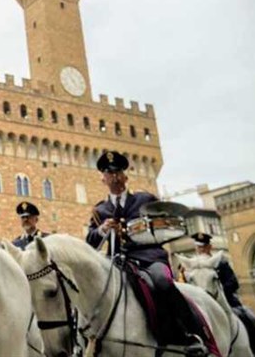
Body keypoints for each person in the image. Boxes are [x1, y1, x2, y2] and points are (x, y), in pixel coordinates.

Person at [85, 151, 207, 355]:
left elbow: (163, 227)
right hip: (116, 261)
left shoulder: (145, 200)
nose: (113, 176)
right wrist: (102, 230)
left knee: (162, 281)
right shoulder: (100, 210)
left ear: (125, 176)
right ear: (102, 178)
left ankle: (189, 334)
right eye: (109, 172)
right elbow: (90, 241)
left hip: (149, 258)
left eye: (117, 171)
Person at [191, 232, 255, 354]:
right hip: (202, 306)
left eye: (203, 247)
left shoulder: (221, 262)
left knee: (248, 317)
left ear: (209, 247)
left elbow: (233, 282)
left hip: (226, 301)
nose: (201, 250)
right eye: (199, 247)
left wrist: (219, 292)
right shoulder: (193, 267)